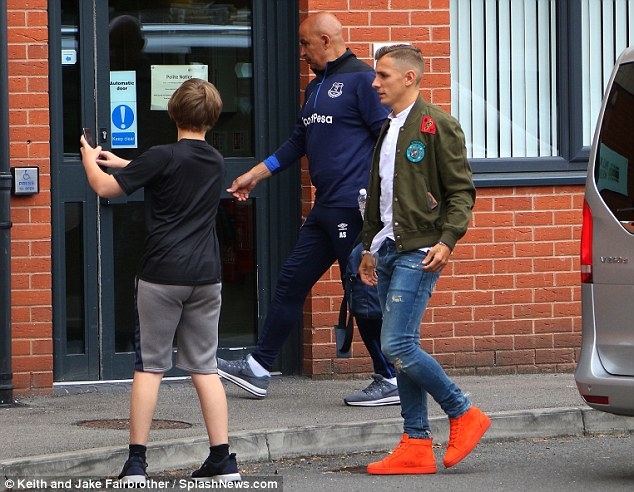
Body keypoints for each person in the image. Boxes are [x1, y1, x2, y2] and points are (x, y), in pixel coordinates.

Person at [218, 11, 398, 407]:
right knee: (291, 282)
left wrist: (384, 204)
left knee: (360, 293)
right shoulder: (315, 87)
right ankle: (259, 368)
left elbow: (388, 141)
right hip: (325, 208)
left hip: (353, 209)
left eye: (305, 44)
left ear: (326, 40)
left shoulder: (363, 81)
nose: (301, 52)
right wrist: (255, 174)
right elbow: (298, 142)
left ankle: (389, 376)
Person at [79, 78, 241, 484]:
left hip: (162, 274)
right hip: (206, 276)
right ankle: (223, 460)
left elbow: (103, 187)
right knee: (205, 368)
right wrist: (126, 164)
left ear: (173, 112)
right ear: (213, 117)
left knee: (150, 367)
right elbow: (169, 173)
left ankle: (136, 463)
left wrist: (88, 157)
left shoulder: (162, 155)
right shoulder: (216, 160)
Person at [358, 44, 490, 475]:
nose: (375, 83)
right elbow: (380, 195)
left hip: (421, 249)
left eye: (383, 75)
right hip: (388, 248)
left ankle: (463, 411)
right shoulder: (388, 126)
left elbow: (461, 192)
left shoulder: (437, 125)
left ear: (409, 78)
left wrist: (448, 240)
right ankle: (415, 443)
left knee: (396, 344)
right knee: (402, 348)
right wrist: (368, 248)